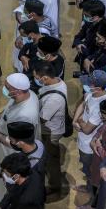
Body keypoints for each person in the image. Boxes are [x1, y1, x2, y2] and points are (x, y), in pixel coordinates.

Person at [0, 73, 40, 204]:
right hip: (4, 142)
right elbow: (8, 109)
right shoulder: (27, 94)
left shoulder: (25, 116)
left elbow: (16, 144)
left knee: (8, 181)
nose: (3, 88)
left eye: (7, 87)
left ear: (17, 91)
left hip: (12, 152)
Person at [72, 70, 106, 199]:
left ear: (98, 88)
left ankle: (92, 194)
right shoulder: (92, 92)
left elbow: (88, 129)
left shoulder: (101, 105)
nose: (87, 85)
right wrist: (75, 120)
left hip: (89, 145)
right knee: (86, 167)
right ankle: (89, 186)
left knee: (91, 171)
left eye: (90, 83)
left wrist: (79, 121)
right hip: (83, 138)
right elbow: (83, 103)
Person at [34, 62, 67, 196]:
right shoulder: (58, 81)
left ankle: (54, 186)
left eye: (37, 77)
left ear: (45, 78)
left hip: (50, 132)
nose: (36, 79)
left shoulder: (54, 98)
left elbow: (42, 118)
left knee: (51, 160)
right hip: (52, 127)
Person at [73, 1, 106, 66]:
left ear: (96, 17)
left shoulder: (105, 29)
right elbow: (78, 36)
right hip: (84, 54)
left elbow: (101, 51)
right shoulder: (89, 22)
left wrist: (84, 51)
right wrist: (78, 43)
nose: (84, 17)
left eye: (86, 15)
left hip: (92, 61)